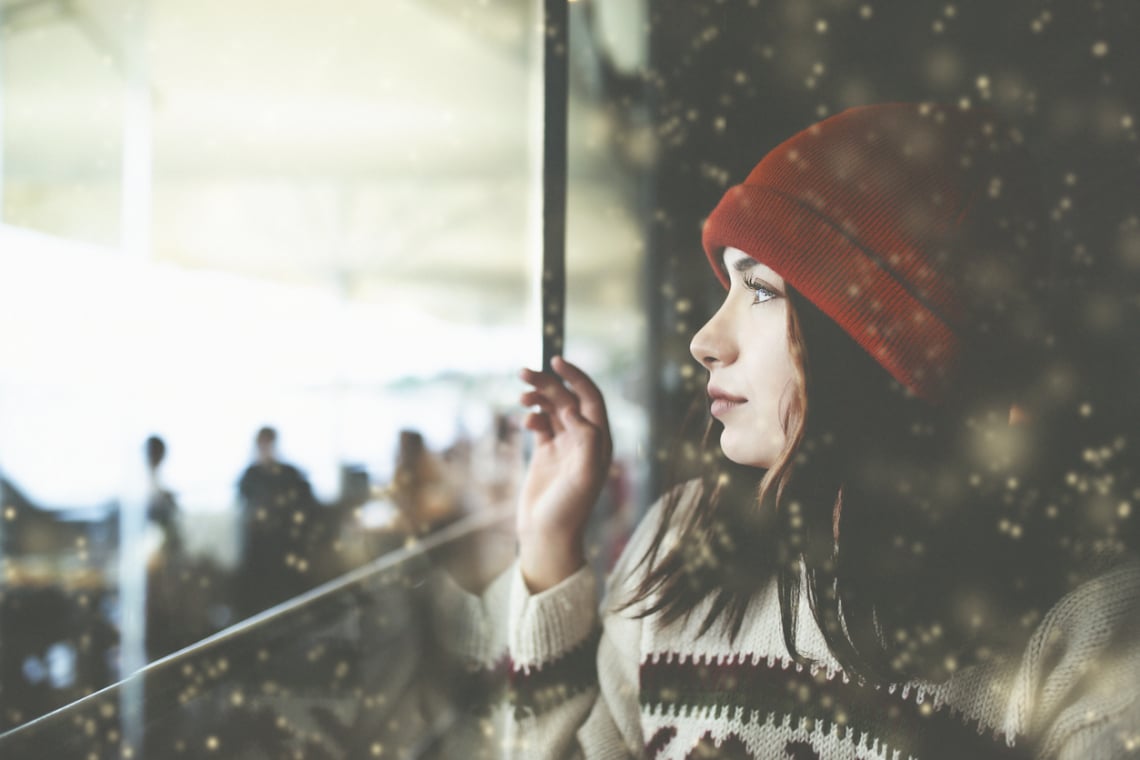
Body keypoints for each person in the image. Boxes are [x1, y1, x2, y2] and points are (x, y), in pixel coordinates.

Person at [448, 104, 1140, 759]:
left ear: (882, 344)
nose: (704, 341)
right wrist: (547, 543)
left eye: (762, 291)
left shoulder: (1086, 624)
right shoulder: (681, 545)